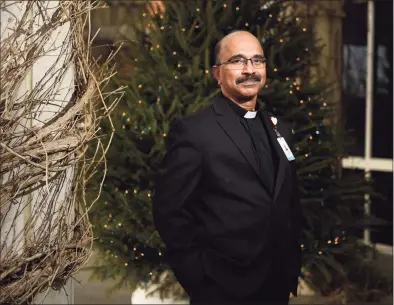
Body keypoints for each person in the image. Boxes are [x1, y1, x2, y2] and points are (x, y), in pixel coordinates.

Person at [152, 30, 302, 305]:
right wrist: (197, 275)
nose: (250, 70)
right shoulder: (194, 130)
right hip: (221, 286)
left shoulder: (281, 129)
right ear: (217, 73)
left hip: (276, 282)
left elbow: (288, 200)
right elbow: (168, 209)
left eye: (257, 61)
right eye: (238, 61)